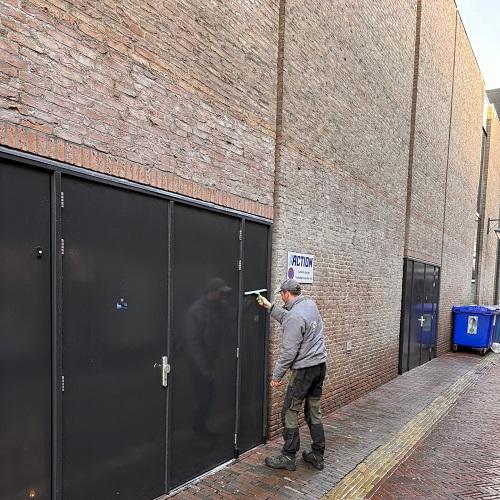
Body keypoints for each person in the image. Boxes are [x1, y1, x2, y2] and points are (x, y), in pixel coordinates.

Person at [257, 278, 327, 471]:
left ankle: (288, 456)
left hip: (304, 370)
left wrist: (276, 376)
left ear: (287, 293)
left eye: (281, 294)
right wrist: (270, 307)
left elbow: (289, 352)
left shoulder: (294, 316)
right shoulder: (309, 304)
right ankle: (317, 454)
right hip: (320, 366)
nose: (281, 296)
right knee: (313, 411)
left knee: (289, 410)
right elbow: (289, 318)